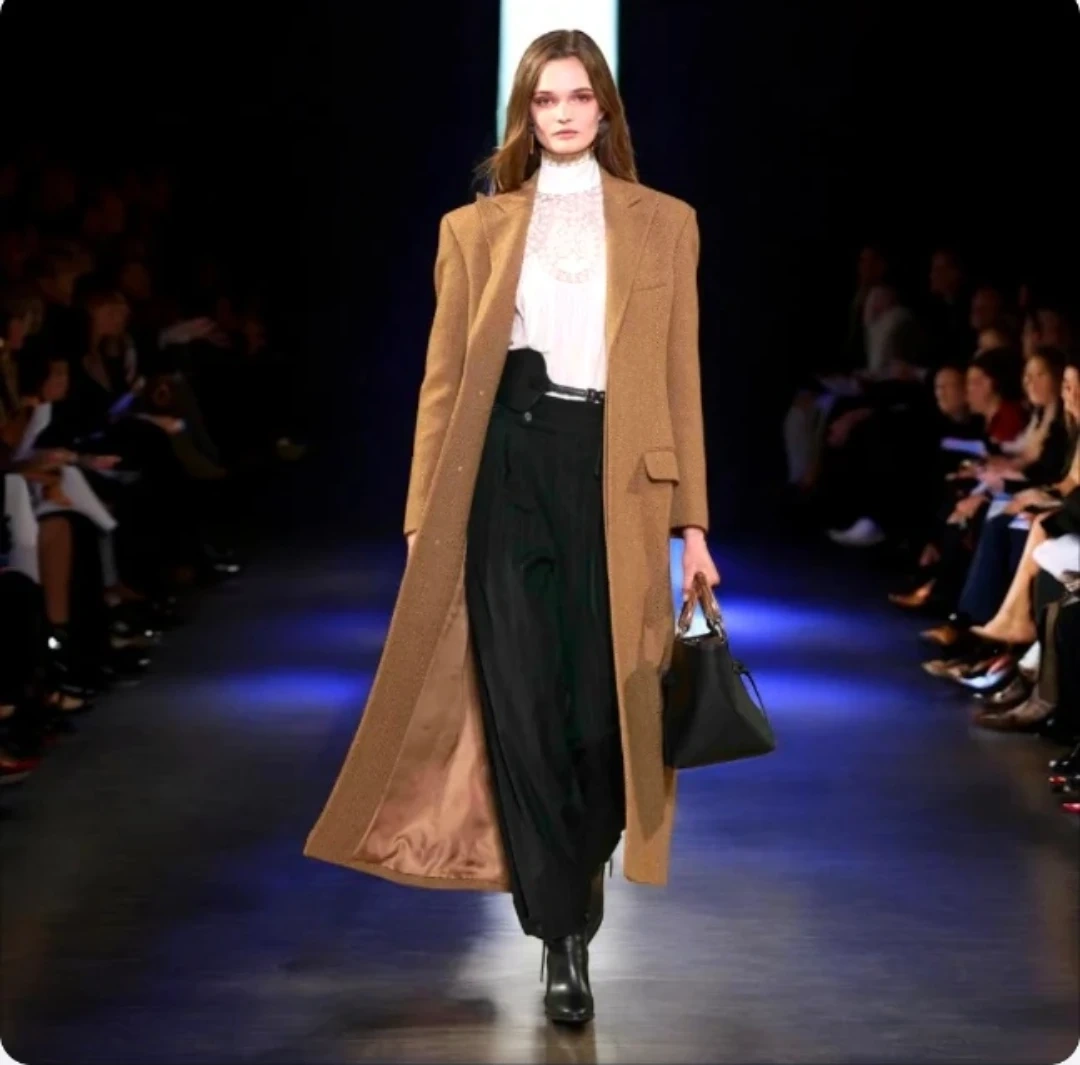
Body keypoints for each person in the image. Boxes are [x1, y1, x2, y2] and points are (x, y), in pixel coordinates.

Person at [303, 28, 719, 1026]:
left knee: (604, 719)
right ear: (524, 113)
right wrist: (422, 515)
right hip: (508, 471)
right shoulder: (474, 230)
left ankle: (576, 880)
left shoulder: (667, 223)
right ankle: (561, 936)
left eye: (578, 96)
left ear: (605, 107)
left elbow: (681, 377)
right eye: (545, 99)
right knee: (524, 704)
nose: (563, 114)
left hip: (618, 480)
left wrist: (695, 526)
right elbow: (444, 380)